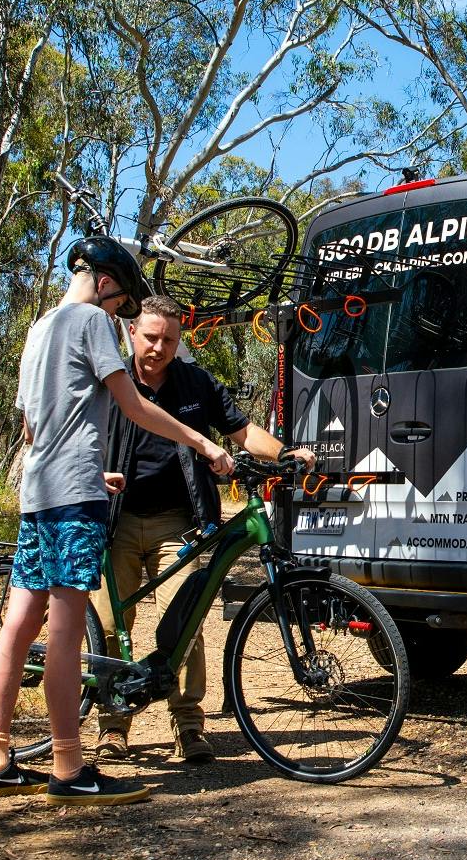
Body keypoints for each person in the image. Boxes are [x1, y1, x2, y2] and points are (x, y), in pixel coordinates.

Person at [0, 238, 233, 806]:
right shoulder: (90, 320)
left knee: (20, 622)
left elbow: (33, 431)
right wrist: (201, 443)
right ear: (107, 283)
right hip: (73, 501)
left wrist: (93, 473)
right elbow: (134, 406)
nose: (119, 317)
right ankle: (68, 766)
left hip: (39, 494)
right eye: (122, 307)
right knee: (66, 629)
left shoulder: (38, 330)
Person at [92, 295, 316, 764]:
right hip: (117, 520)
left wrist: (284, 453)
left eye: (168, 340)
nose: (158, 347)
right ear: (132, 333)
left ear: (179, 341)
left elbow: (242, 431)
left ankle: (189, 725)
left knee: (187, 621)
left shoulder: (195, 382)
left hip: (180, 521)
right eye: (150, 337)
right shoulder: (110, 380)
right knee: (112, 627)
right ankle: (113, 726)